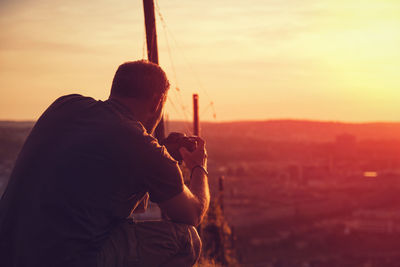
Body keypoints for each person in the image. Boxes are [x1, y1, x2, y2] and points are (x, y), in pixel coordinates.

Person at [0, 60, 210, 267]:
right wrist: (199, 167)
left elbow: (102, 181)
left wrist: (160, 156)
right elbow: (193, 213)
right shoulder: (141, 145)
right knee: (186, 240)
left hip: (9, 249)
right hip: (65, 259)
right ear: (157, 103)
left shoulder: (65, 105)